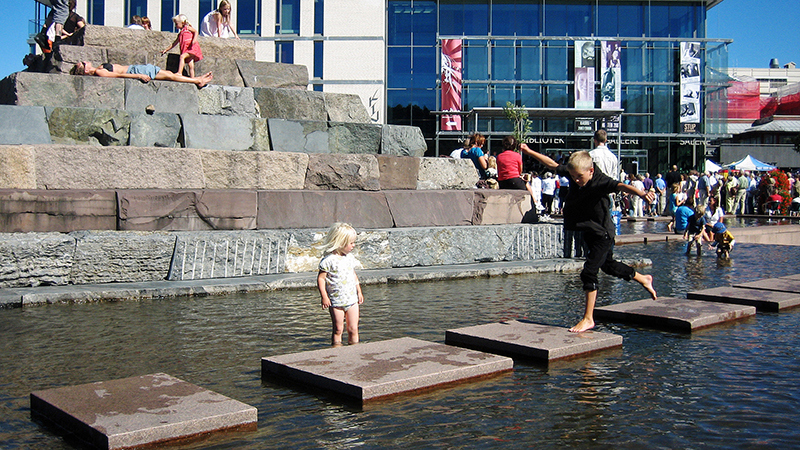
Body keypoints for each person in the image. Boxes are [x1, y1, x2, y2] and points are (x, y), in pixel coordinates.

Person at [520, 145, 656, 333]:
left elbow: (620, 186)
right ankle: (643, 279)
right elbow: (553, 165)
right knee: (608, 266)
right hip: (589, 232)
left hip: (603, 233)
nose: (576, 180)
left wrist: (642, 193)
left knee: (589, 272)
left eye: (579, 177)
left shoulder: (600, 181)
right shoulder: (575, 173)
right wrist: (529, 152)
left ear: (591, 171)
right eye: (573, 176)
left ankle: (588, 318)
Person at [317, 223, 364, 346]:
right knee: (338, 329)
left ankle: (355, 349)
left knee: (353, 328)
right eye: (351, 243)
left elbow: (353, 275)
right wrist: (324, 296)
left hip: (351, 299)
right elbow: (321, 279)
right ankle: (337, 351)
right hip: (336, 301)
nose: (353, 246)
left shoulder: (349, 258)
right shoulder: (328, 261)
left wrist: (359, 291)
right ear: (341, 243)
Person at [70, 61, 213, 88]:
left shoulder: (99, 68)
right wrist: (139, 75)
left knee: (169, 73)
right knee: (171, 76)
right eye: (82, 63)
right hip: (135, 71)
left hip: (136, 68)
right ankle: (197, 80)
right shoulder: (100, 72)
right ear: (85, 71)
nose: (85, 61)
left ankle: (196, 79)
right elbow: (119, 76)